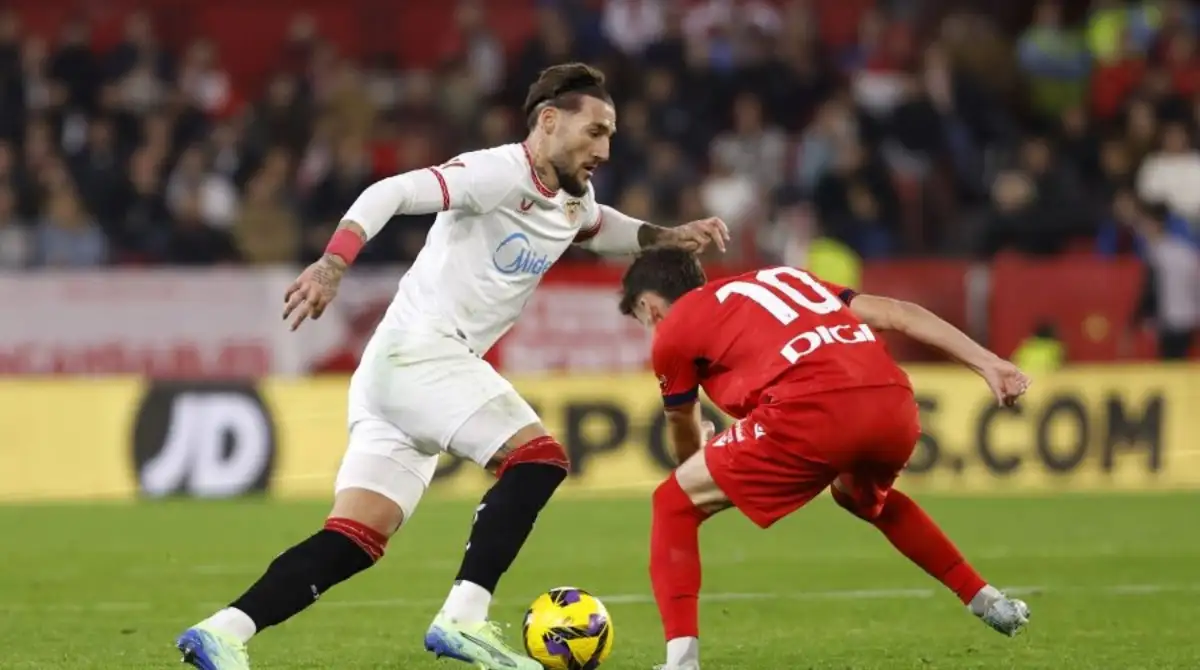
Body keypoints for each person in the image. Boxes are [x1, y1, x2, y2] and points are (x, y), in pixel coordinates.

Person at [175, 63, 729, 670]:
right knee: (540, 458)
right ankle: (463, 618)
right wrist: (334, 262)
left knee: (354, 539)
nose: (604, 148)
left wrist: (666, 236)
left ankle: (222, 632)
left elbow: (599, 227)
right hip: (424, 352)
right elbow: (390, 191)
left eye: (610, 135)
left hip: (393, 373)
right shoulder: (496, 172)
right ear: (548, 122)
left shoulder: (572, 198)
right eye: (595, 132)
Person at [617, 248, 1032, 670]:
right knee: (864, 499)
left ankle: (681, 663)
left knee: (673, 504)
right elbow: (898, 313)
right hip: (892, 401)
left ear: (649, 307)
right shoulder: (786, 280)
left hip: (810, 410)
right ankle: (986, 600)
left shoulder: (674, 331)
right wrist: (990, 363)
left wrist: (699, 452)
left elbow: (684, 439)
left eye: (641, 317)